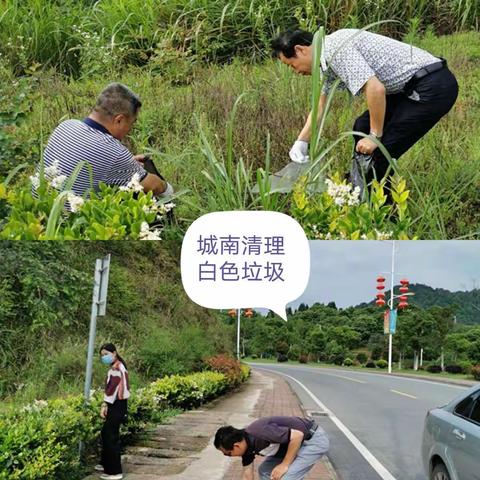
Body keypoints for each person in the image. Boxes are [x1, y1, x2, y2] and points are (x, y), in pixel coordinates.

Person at [271, 28, 458, 194]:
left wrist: (375, 136)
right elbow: (320, 106)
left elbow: (375, 88)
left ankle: (379, 211)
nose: (295, 71)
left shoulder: (335, 48)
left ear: (300, 50)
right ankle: (360, 188)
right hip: (408, 88)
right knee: (362, 126)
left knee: (379, 150)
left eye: (291, 65)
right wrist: (301, 141)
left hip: (432, 86)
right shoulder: (326, 60)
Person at [35, 82, 173, 199]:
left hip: (39, 212)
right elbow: (155, 186)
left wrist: (127, 165)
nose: (130, 129)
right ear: (119, 120)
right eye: (132, 123)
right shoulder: (113, 151)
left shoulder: (66, 125)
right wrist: (168, 189)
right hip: (70, 223)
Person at [214, 416, 329, 480]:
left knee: (287, 478)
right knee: (264, 471)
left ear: (236, 446)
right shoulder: (245, 445)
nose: (228, 456)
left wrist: (284, 465)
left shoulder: (259, 431)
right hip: (291, 445)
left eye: (227, 453)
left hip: (312, 440)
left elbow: (298, 435)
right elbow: (247, 475)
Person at [95, 343, 130, 480]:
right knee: (106, 433)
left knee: (111, 436)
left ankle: (115, 471)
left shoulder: (116, 368)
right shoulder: (120, 365)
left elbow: (112, 390)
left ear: (114, 353)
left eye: (106, 354)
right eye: (102, 355)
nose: (104, 357)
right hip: (119, 404)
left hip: (116, 404)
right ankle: (105, 463)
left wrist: (104, 404)